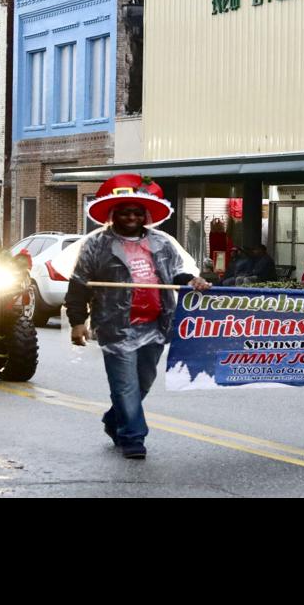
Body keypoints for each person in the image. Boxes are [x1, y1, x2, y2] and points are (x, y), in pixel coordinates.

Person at [65, 173, 212, 460]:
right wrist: (77, 322)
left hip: (155, 325)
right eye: (124, 212)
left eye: (136, 212)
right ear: (113, 214)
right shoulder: (97, 245)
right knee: (125, 385)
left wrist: (193, 280)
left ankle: (113, 419)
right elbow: (79, 284)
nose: (131, 217)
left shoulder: (162, 243)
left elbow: (175, 274)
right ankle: (133, 438)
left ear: (145, 215)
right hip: (116, 328)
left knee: (142, 383)